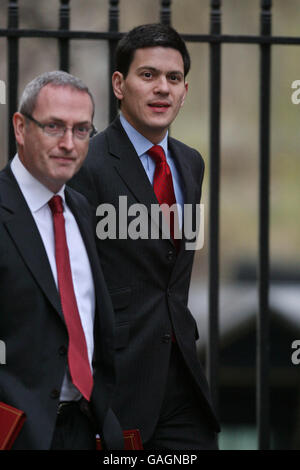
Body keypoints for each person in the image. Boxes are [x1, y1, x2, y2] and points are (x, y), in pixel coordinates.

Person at [70, 24, 220, 449]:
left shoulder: (191, 164)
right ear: (119, 84)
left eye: (173, 79)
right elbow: (72, 282)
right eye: (148, 75)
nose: (162, 89)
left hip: (183, 381)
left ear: (185, 90)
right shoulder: (87, 164)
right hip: (118, 386)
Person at [0, 71, 123, 450]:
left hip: (86, 429)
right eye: (54, 127)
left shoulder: (80, 210)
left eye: (82, 130)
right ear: (20, 128)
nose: (68, 143)